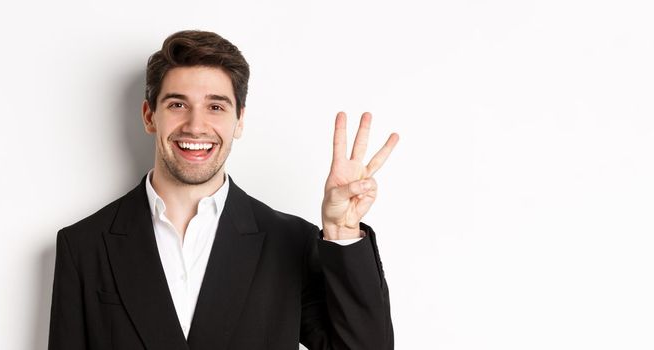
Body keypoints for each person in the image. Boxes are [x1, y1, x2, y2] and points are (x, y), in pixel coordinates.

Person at [48, 30, 399, 350]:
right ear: (149, 116)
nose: (196, 126)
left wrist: (341, 231)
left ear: (240, 120)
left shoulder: (289, 242)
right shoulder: (83, 246)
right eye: (177, 104)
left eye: (215, 107)